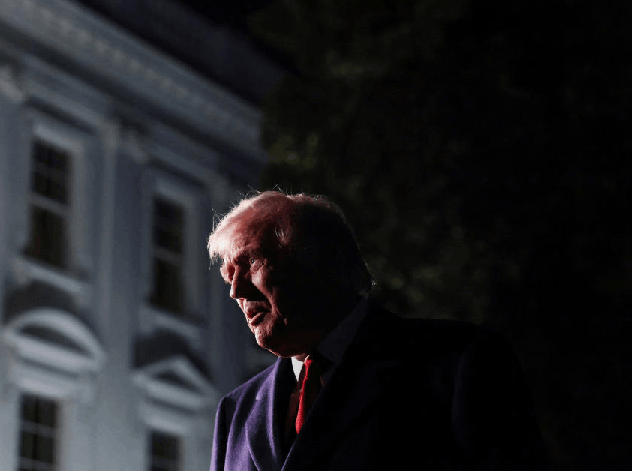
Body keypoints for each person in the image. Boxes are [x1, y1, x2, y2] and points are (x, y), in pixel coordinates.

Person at [208, 191, 547, 470]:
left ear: (318, 261)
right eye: (228, 276)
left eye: (251, 262)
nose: (235, 291)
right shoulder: (235, 411)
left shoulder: (458, 363)